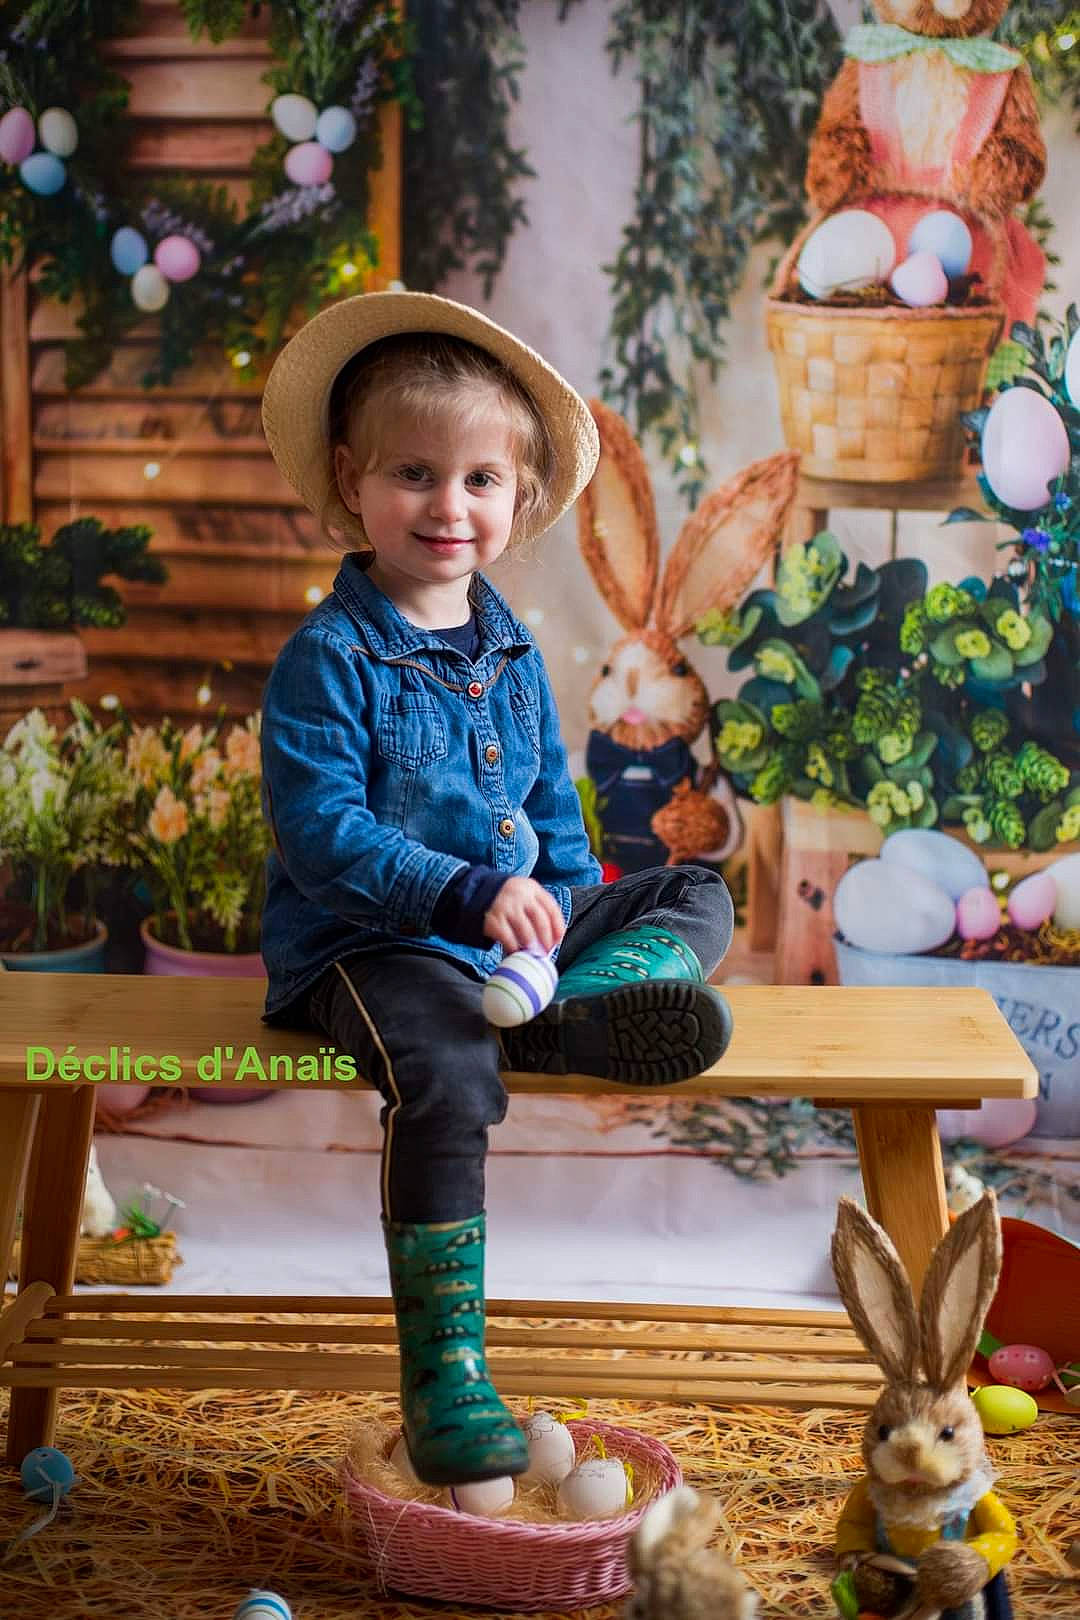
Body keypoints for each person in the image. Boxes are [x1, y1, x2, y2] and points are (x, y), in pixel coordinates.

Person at [258, 290, 734, 1488]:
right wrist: (466, 894)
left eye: (478, 480)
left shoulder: (510, 646)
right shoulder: (330, 658)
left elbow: (552, 812)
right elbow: (324, 837)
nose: (447, 506)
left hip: (508, 938)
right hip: (375, 947)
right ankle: (447, 1373)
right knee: (446, 1063)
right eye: (414, 474)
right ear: (351, 481)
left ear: (518, 501)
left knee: (696, 892)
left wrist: (568, 911)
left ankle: (584, 1002)